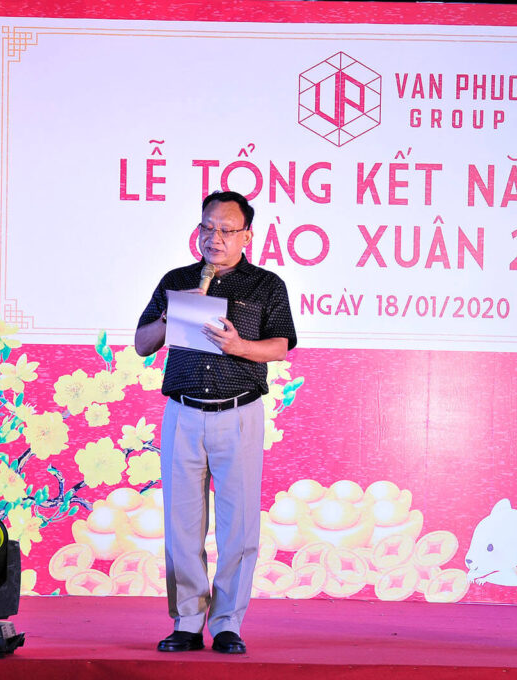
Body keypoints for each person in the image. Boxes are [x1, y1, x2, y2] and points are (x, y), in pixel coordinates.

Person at [135, 190, 297, 654]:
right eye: (207, 227)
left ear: (247, 235)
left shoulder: (266, 285)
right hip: (182, 414)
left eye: (227, 230)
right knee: (182, 526)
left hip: (239, 414)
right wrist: (170, 313)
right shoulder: (177, 280)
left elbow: (281, 345)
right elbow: (143, 343)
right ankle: (187, 622)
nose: (215, 238)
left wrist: (238, 346)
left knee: (237, 527)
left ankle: (227, 623)